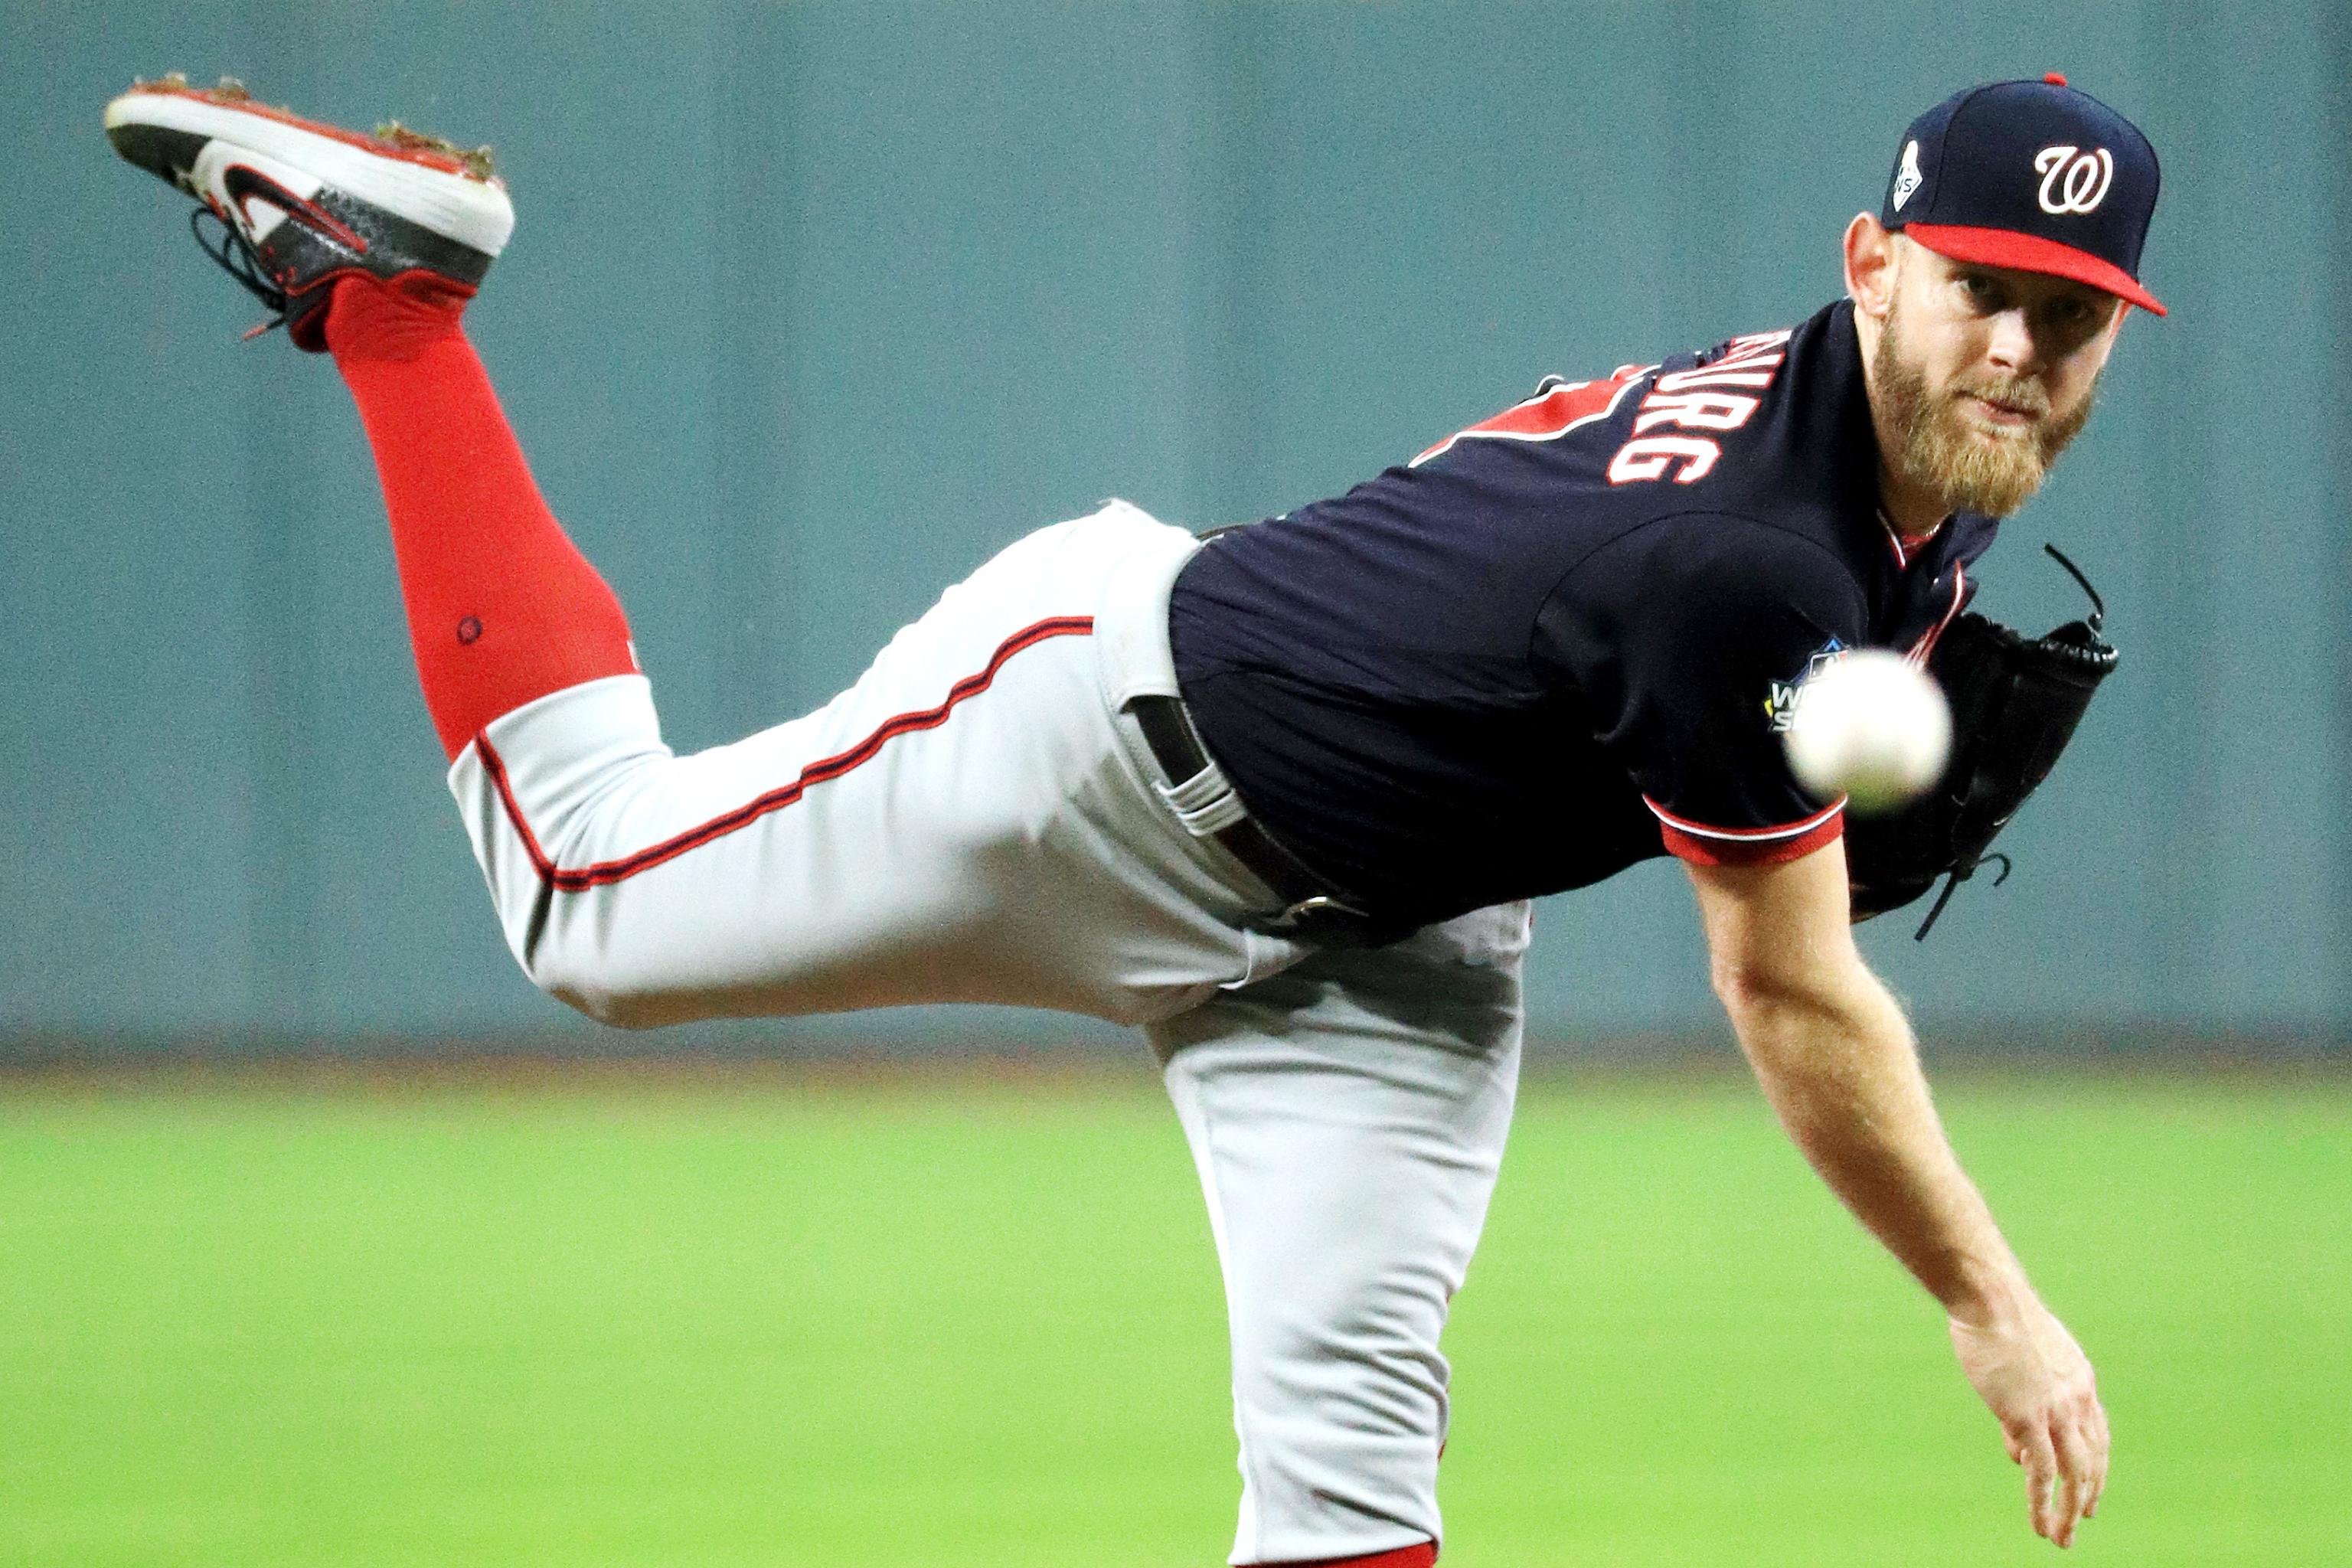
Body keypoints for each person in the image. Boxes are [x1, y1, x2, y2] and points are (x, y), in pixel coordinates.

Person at [106, 68, 2158, 1563]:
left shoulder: (1875, 465)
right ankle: (398, 304)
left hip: (1392, 942)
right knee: (583, 907)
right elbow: (1792, 999)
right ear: (1871, 259)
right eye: (1979, 285)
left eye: (2067, 320)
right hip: (1101, 755)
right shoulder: (1759, 572)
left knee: (1349, 1474)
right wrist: (1996, 1307)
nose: (2015, 346)